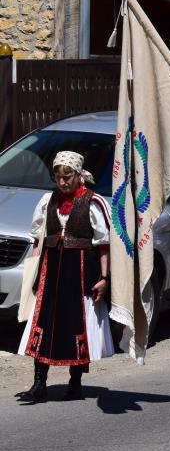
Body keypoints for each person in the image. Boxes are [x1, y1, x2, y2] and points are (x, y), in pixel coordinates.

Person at [17, 152, 113, 404]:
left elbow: (103, 244)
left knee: (77, 323)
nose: (62, 182)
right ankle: (39, 384)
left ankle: (75, 383)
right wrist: (34, 275)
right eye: (58, 177)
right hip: (52, 269)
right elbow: (38, 239)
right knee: (44, 323)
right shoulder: (48, 201)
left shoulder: (93, 202)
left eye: (67, 176)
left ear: (78, 175)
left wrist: (104, 277)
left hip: (80, 270)